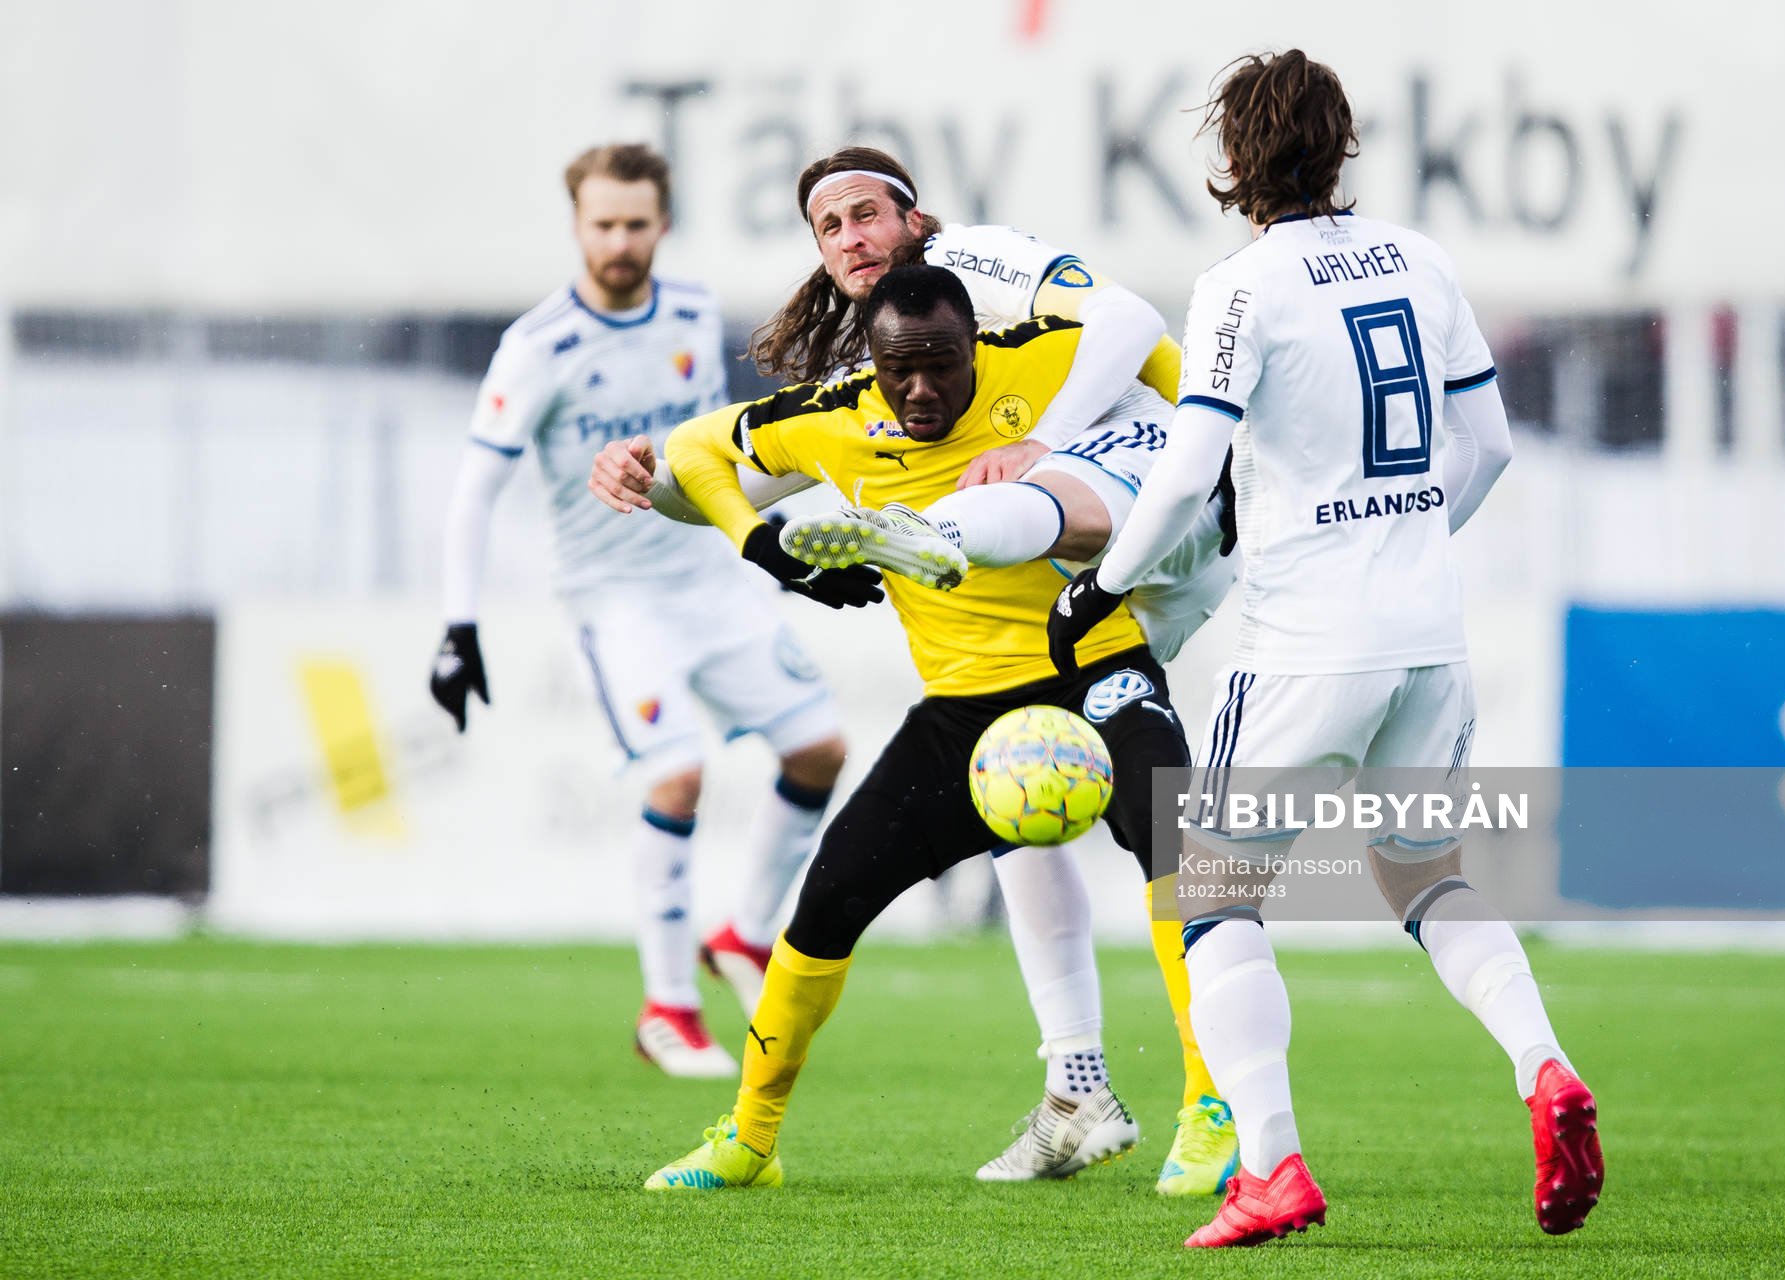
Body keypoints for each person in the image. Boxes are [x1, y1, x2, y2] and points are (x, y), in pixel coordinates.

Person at [591, 149, 1241, 1192]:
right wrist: (745, 534)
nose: (929, 385)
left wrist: (1217, 467)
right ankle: (754, 1137)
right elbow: (693, 465)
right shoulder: (837, 405)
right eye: (829, 224)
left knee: (1187, 849)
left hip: (1101, 643)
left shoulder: (1028, 332)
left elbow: (1143, 335)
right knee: (830, 899)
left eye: (948, 361)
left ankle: (1215, 1105)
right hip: (968, 713)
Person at [1047, 51, 1602, 1248]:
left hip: (1305, 641)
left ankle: (1273, 1166)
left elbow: (1190, 470)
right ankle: (1545, 1067)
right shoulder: (1421, 257)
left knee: (1216, 896)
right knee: (1429, 877)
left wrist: (1102, 581)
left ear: (1231, 157)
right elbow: (1491, 445)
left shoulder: (1240, 284)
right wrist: (1408, 536)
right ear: (1343, 144)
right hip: (1426, 637)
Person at [429, 143, 864, 1079]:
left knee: (822, 749)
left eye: (636, 223)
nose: (619, 241)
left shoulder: (696, 313)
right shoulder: (538, 345)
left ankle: (744, 938)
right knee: (677, 778)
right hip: (617, 601)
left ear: (661, 224)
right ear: (578, 225)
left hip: (711, 583)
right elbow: (475, 489)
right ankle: (667, 1010)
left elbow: (721, 448)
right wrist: (458, 627)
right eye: (603, 224)